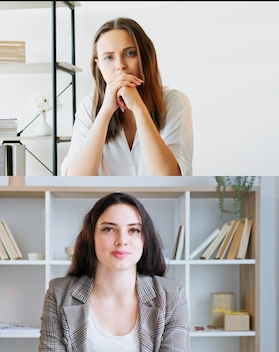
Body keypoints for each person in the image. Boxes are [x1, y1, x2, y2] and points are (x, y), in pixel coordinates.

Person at [39, 192, 189, 351]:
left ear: (145, 239)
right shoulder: (58, 294)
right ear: (91, 237)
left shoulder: (172, 295)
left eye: (134, 230)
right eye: (109, 229)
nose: (122, 240)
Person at [61, 17, 193, 176]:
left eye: (130, 53)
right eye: (109, 57)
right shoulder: (88, 107)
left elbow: (170, 178)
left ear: (145, 57)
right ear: (98, 65)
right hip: (106, 201)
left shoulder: (174, 103)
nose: (120, 65)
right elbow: (75, 180)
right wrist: (106, 111)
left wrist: (138, 107)